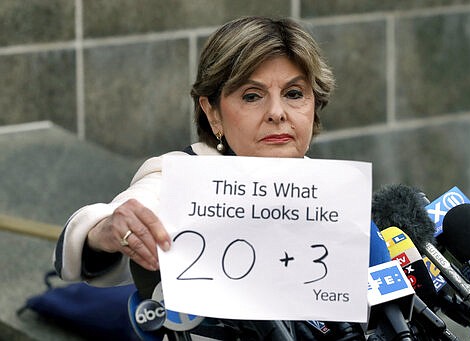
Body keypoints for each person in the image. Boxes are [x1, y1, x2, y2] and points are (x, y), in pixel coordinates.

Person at [54, 16, 387, 340]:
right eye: (252, 96)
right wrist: (109, 229)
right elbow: (114, 220)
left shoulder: (335, 195)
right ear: (213, 113)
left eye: (295, 93)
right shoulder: (179, 176)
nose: (277, 112)